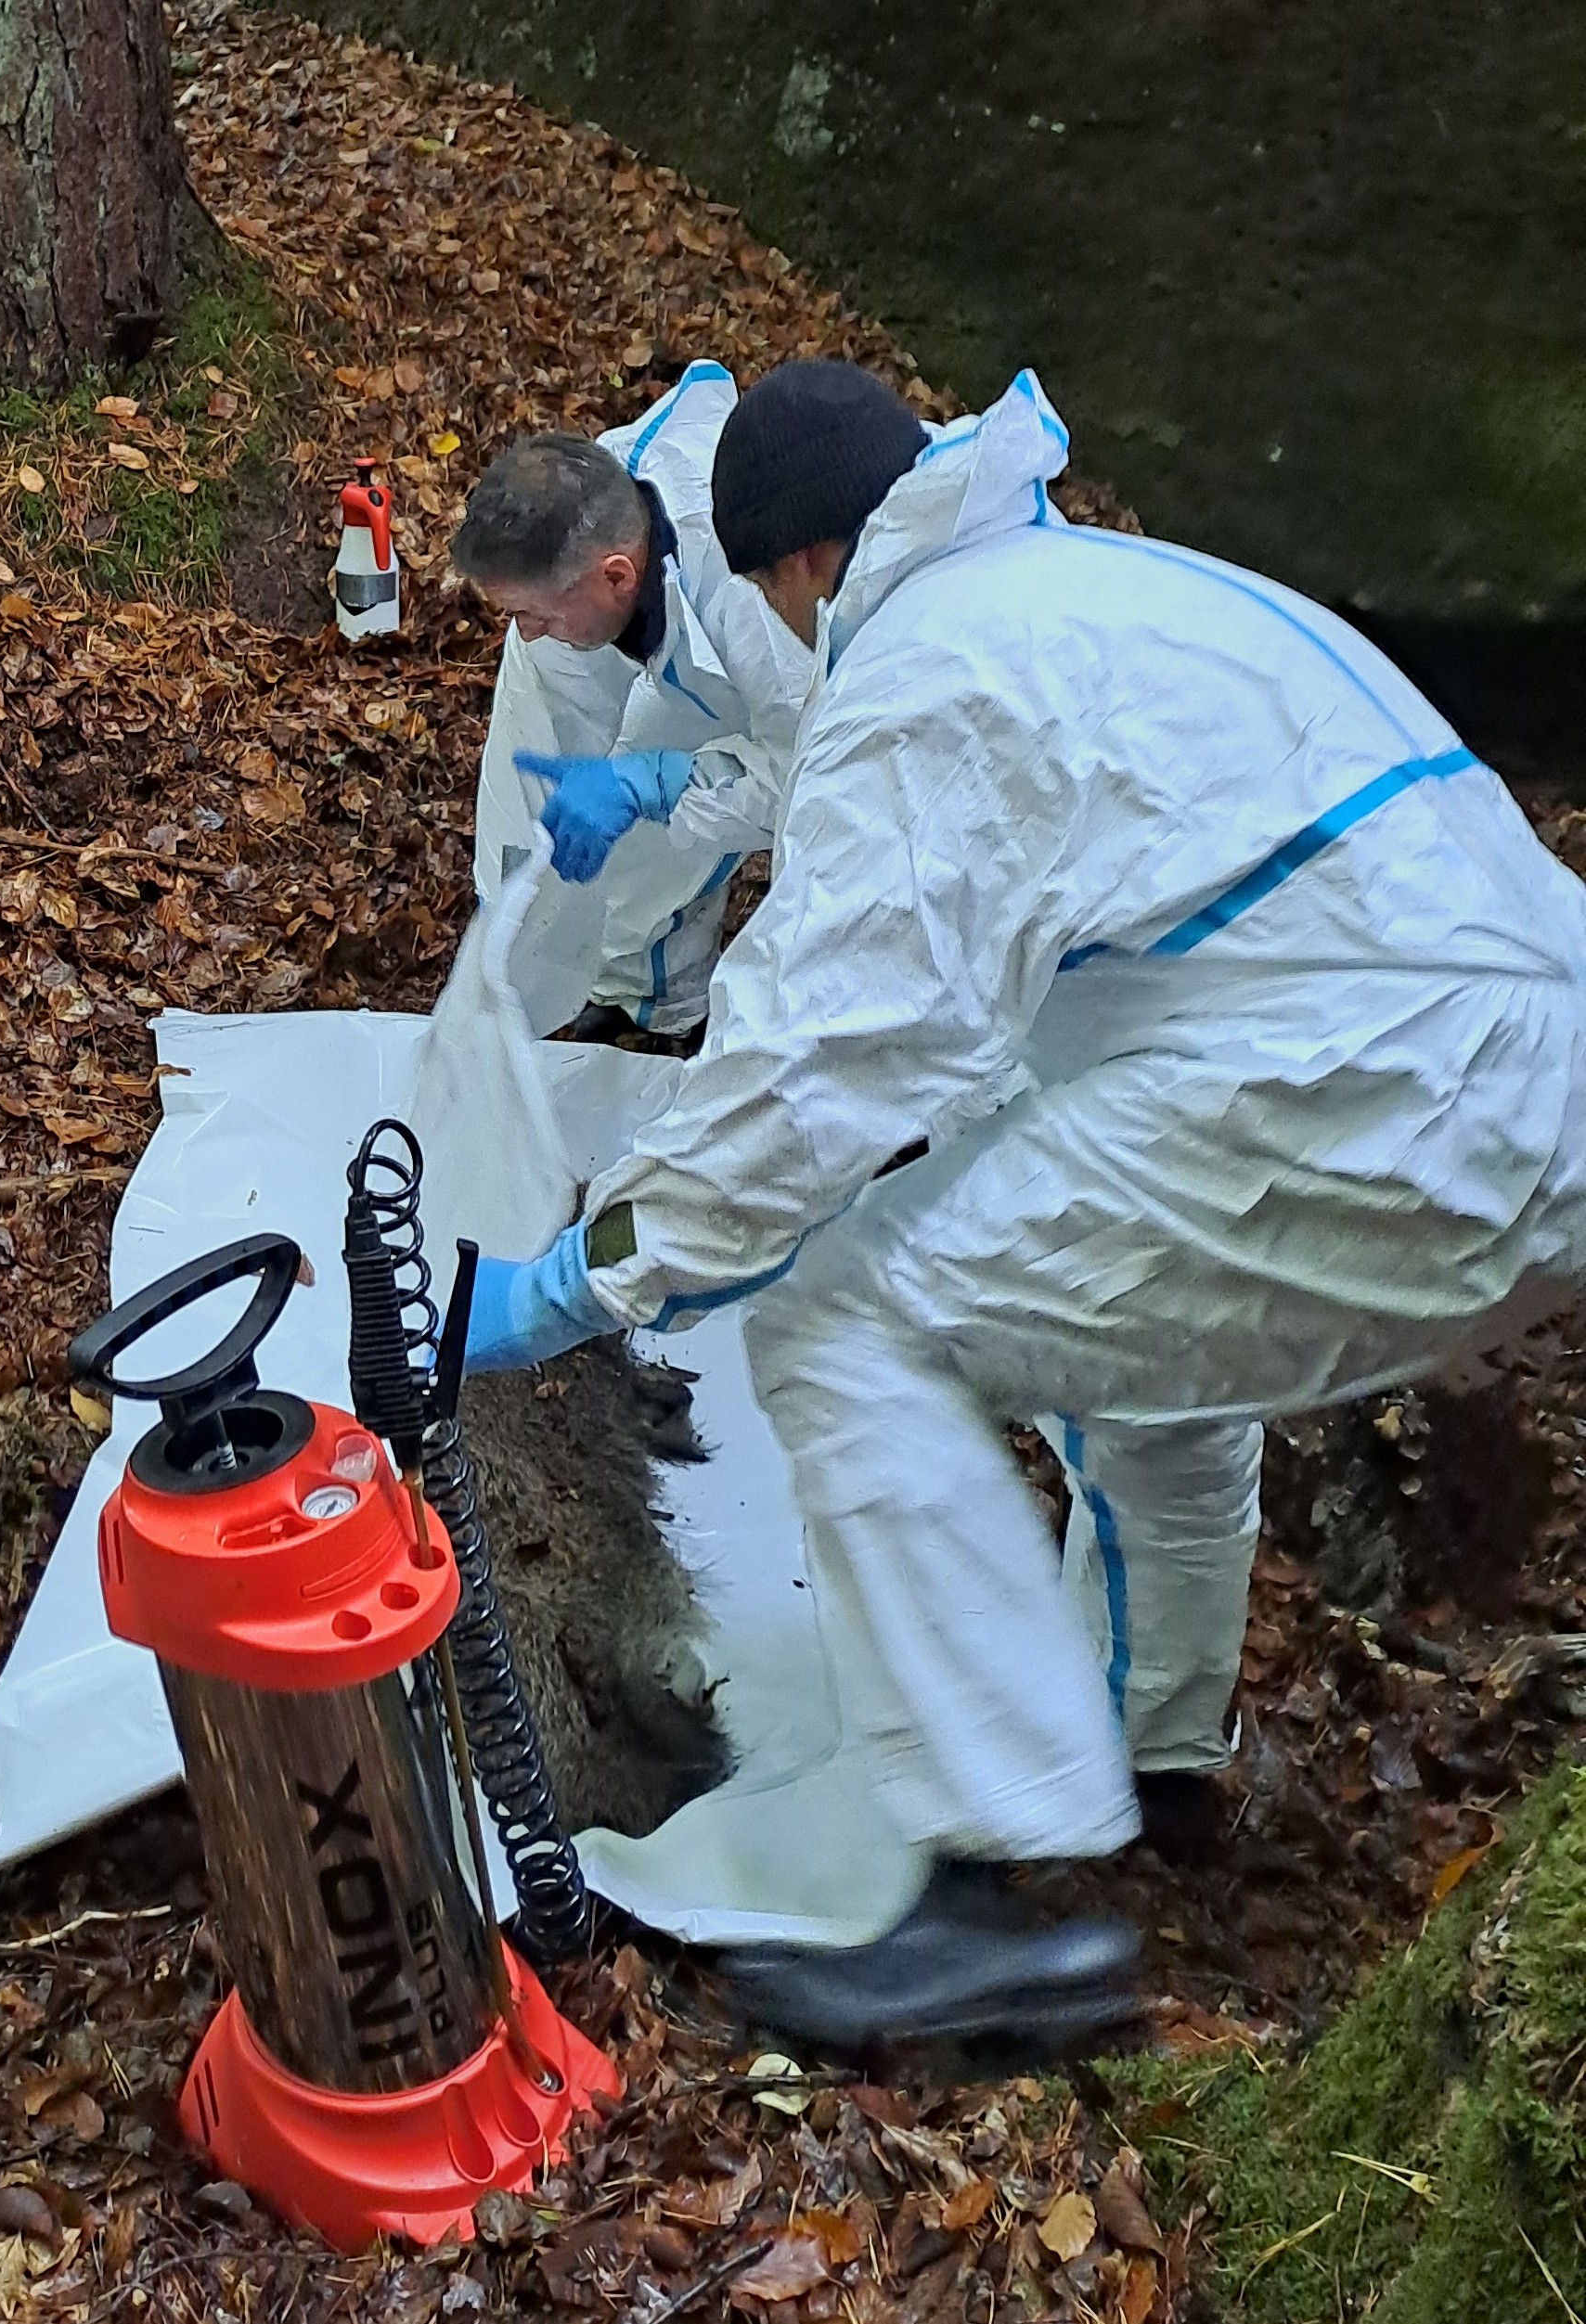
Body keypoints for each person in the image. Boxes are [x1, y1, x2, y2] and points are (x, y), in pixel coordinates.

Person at [462, 357, 1586, 2044]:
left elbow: (814, 1066)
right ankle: (1156, 1756)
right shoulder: (1096, 587)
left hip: (1374, 1091)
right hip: (1513, 1068)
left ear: (804, 561)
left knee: (843, 1319)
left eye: (779, 592)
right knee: (1142, 1368)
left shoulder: (933, 670)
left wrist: (588, 1272)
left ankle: (968, 1910)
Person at [448, 365, 813, 1042]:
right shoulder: (584, 524)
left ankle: (661, 1010)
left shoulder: (759, 611)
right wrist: (506, 921)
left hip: (781, 694)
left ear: (616, 577)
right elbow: (530, 752)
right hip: (639, 622)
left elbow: (809, 776)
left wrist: (659, 783)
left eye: (535, 614)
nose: (524, 634)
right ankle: (581, 985)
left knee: (669, 831)